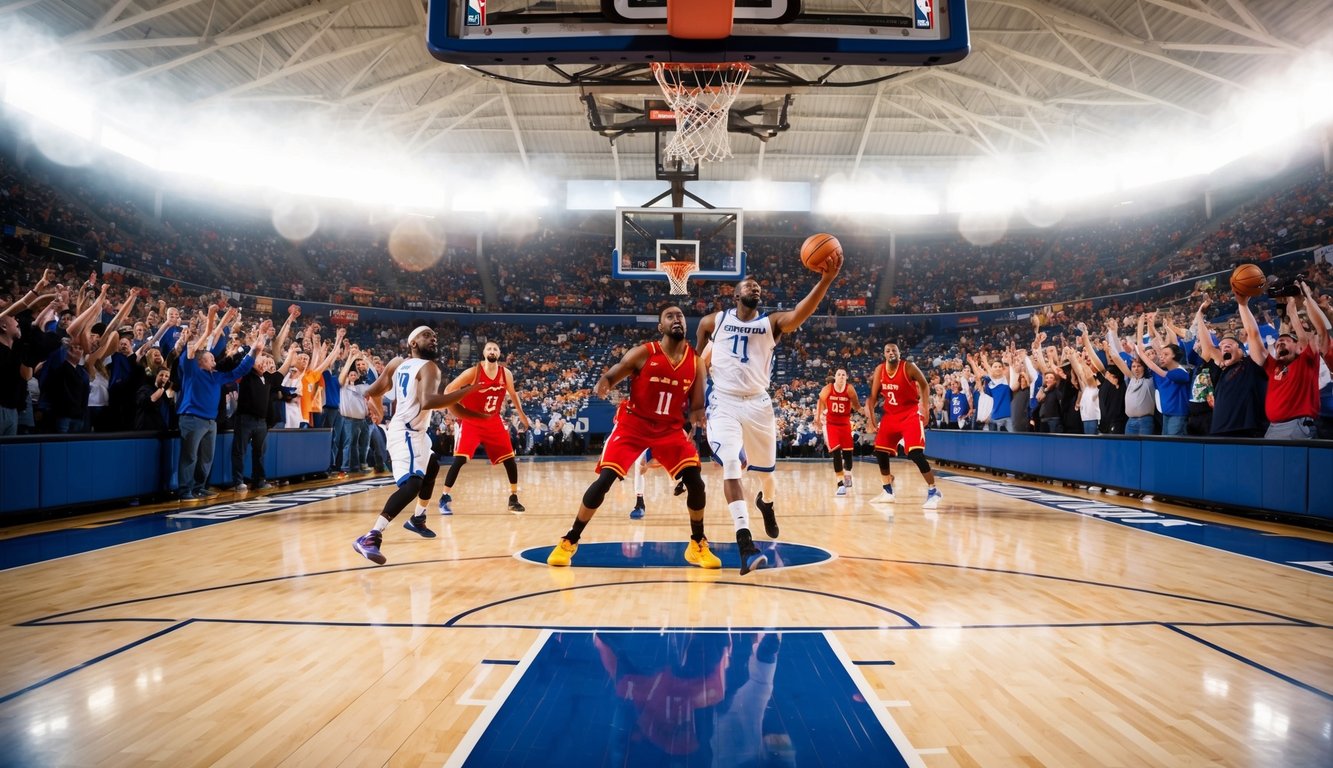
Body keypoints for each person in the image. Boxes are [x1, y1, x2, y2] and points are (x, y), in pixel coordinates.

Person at [695, 253, 842, 574]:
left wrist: (825, 280)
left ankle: (767, 503)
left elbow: (799, 315)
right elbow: (696, 364)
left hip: (758, 404)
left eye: (759, 287)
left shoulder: (771, 323)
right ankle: (745, 543)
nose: (756, 288)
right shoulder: (713, 322)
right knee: (732, 464)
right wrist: (694, 404)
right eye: (750, 285)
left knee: (767, 477)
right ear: (735, 295)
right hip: (723, 401)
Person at [547, 306, 716, 570]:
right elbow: (614, 373)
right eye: (670, 316)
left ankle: (697, 544)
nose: (676, 319)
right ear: (660, 327)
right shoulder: (644, 353)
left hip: (669, 429)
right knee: (605, 480)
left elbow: (696, 405)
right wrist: (604, 383)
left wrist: (698, 417)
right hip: (633, 424)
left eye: (680, 316)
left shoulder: (695, 362)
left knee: (696, 483)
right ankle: (570, 539)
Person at [352, 327, 479, 565]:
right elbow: (429, 401)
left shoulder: (397, 363)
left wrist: (378, 409)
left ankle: (418, 519)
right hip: (407, 434)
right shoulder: (429, 367)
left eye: (435, 336)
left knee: (431, 468)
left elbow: (372, 391)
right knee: (413, 485)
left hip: (416, 432)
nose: (433, 339)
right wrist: (467, 391)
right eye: (427, 335)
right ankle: (371, 536)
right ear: (412, 343)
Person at [175, 316, 266, 500]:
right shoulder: (191, 370)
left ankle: (200, 487)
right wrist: (207, 331)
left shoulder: (216, 376)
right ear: (201, 361)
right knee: (190, 457)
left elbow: (238, 371)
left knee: (206, 459)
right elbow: (190, 351)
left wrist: (254, 352)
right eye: (210, 359)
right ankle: (185, 491)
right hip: (192, 419)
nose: (215, 362)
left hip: (211, 422)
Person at [439, 341, 531, 514]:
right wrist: (457, 411)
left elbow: (513, 394)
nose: (492, 350)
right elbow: (449, 390)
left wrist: (522, 414)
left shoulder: (506, 374)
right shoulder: (473, 372)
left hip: (493, 420)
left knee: (510, 459)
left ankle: (513, 497)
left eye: (495, 348)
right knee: (460, 460)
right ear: (483, 352)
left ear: (499, 353)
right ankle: (444, 497)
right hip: (472, 421)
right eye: (489, 348)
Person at [1241, 284, 1326, 440]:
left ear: (1299, 348)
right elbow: (1253, 335)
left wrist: (1295, 310)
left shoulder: (1307, 361)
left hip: (1297, 426)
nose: (1280, 343)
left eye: (1286, 340)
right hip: (1272, 427)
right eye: (1278, 342)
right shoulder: (1273, 367)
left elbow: (1312, 333)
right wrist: (1242, 304)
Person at [865, 342, 942, 511]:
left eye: (894, 350)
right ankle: (887, 491)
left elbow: (924, 384)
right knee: (880, 450)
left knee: (915, 453)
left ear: (899, 353)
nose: (891, 352)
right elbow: (873, 396)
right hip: (891, 415)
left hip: (910, 413)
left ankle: (933, 490)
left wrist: (925, 407)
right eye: (887, 350)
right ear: (884, 354)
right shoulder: (880, 370)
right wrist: (871, 418)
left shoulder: (909, 367)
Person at [1194, 296, 1266, 437]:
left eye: (1229, 345)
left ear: (1241, 351)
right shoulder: (1221, 369)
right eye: (1221, 346)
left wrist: (1242, 304)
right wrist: (1199, 315)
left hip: (1246, 430)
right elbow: (1208, 347)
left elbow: (1252, 334)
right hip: (1218, 431)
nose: (1223, 347)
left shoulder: (1251, 364)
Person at [814, 368, 861, 496]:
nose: (841, 376)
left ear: (846, 377)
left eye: (843, 375)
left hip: (845, 424)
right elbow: (820, 402)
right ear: (835, 377)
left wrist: (864, 412)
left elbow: (857, 406)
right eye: (839, 374)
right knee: (835, 453)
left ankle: (848, 474)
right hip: (831, 425)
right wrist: (817, 420)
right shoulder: (828, 389)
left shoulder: (850, 389)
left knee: (848, 455)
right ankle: (840, 484)